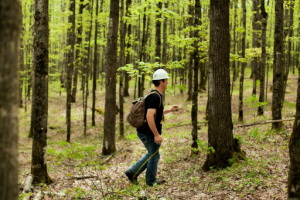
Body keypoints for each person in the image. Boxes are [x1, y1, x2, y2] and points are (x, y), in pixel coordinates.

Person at [125, 69, 178, 186]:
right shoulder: (155, 97)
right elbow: (149, 116)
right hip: (148, 132)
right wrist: (156, 134)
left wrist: (170, 110)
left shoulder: (155, 95)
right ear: (161, 81)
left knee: (152, 154)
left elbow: (155, 113)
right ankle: (150, 181)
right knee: (154, 156)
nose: (167, 82)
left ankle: (132, 172)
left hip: (145, 131)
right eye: (166, 80)